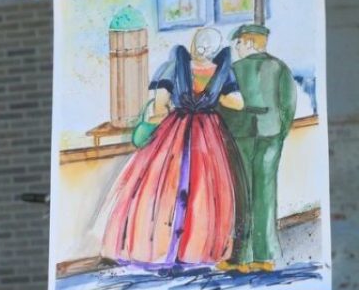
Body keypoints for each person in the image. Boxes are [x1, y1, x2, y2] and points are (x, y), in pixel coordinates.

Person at [95, 25, 248, 267]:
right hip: (208, 133)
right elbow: (237, 103)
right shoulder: (221, 72)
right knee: (204, 188)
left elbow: (159, 105)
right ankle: (195, 248)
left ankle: (157, 247)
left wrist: (162, 114)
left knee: (162, 185)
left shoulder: (175, 66)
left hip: (176, 127)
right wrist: (214, 96)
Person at [219, 23, 298, 271]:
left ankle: (242, 258)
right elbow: (288, 103)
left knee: (244, 194)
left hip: (240, 135)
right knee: (266, 193)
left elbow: (220, 107)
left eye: (239, 43)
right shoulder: (280, 68)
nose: (237, 48)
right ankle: (266, 256)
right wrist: (280, 131)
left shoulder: (233, 70)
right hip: (271, 134)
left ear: (250, 42)